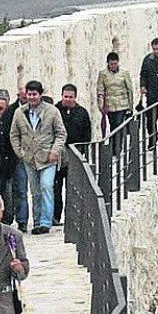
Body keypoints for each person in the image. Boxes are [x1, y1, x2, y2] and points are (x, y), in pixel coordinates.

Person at [9, 80, 66, 236]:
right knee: (35, 191)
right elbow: (14, 135)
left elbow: (61, 133)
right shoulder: (19, 113)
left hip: (48, 156)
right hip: (29, 158)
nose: (32, 97)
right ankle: (37, 221)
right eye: (29, 94)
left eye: (34, 94)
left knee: (46, 186)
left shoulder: (52, 111)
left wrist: (55, 151)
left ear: (40, 95)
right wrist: (20, 152)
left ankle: (45, 222)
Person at [53, 84, 93, 225]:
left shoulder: (82, 113)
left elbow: (87, 135)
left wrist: (82, 153)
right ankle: (55, 216)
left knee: (72, 189)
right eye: (65, 96)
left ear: (75, 97)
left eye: (70, 97)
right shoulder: (55, 110)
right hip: (57, 156)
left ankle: (72, 219)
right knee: (55, 188)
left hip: (74, 156)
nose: (68, 99)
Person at [0, 88, 28, 230]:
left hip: (18, 156)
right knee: (6, 190)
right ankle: (7, 218)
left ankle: (22, 220)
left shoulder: (15, 113)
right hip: (5, 159)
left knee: (21, 189)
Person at [96, 51, 135, 133]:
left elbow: (129, 90)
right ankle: (114, 144)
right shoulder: (103, 74)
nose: (113, 66)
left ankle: (118, 144)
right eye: (111, 64)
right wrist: (101, 106)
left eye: (115, 64)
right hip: (109, 105)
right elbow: (100, 90)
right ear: (108, 64)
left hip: (122, 105)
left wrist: (130, 107)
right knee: (113, 126)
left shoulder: (124, 73)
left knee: (119, 124)